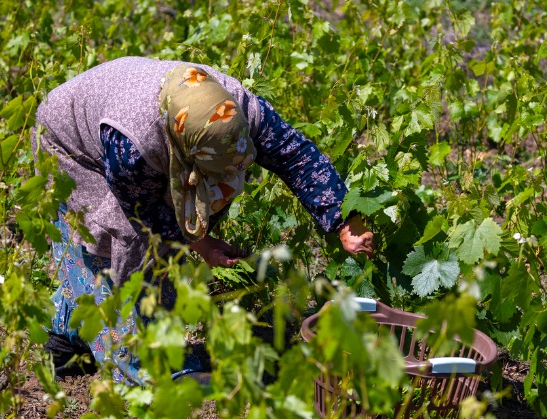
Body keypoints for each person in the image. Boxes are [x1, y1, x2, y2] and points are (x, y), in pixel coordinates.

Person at [33, 57, 374, 384]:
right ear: (182, 149)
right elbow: (146, 219)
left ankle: (67, 345)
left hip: (119, 113)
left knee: (153, 236)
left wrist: (343, 220)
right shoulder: (133, 149)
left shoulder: (239, 109)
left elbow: (295, 155)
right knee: (113, 246)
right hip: (68, 138)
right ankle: (155, 366)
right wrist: (201, 243)